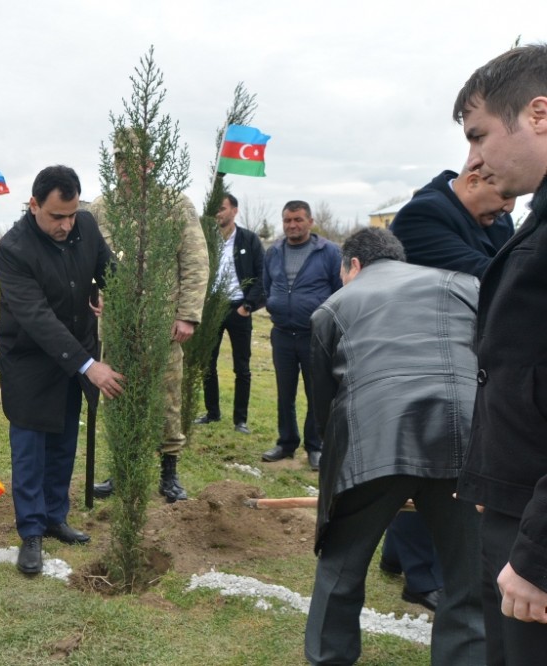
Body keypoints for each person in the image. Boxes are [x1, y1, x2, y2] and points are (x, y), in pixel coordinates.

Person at [305, 227, 484, 666]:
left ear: (354, 266)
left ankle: (328, 658)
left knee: (340, 569)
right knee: (469, 580)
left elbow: (324, 405)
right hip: (467, 436)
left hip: (374, 437)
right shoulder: (464, 284)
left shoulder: (333, 307)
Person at [381, 164, 516, 611]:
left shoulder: (498, 216)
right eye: (501, 201)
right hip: (419, 363)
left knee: (442, 466)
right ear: (474, 179)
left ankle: (397, 555)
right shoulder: (421, 217)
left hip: (464, 360)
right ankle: (420, 578)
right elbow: (492, 276)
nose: (506, 212)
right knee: (422, 466)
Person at [453, 43, 547, 664]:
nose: (474, 160)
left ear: (538, 113)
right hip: (513, 508)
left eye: (480, 135)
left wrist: (538, 552)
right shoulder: (536, 222)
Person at [0, 166, 123, 575]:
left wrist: (113, 295)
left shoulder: (85, 224)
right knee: (31, 447)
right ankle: (31, 532)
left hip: (75, 353)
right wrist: (90, 367)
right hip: (30, 360)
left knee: (66, 437)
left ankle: (54, 516)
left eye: (71, 214)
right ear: (34, 205)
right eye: (56, 216)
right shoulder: (13, 249)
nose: (66, 225)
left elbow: (107, 271)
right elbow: (36, 317)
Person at [90, 130, 209, 503]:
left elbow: (194, 260)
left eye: (136, 160)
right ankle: (121, 468)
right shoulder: (100, 208)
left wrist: (187, 314)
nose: (127, 168)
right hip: (117, 323)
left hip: (163, 325)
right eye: (121, 160)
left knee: (167, 396)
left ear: (151, 163)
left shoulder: (175, 205)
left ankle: (168, 473)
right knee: (117, 393)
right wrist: (91, 292)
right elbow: (84, 262)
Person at [260, 200, 341, 470]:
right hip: (282, 333)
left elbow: (339, 289)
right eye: (287, 221)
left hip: (315, 335)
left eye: (298, 219)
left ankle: (314, 446)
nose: (292, 225)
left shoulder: (329, 252)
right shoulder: (274, 252)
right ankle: (286, 442)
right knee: (285, 392)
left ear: (310, 221)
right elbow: (266, 285)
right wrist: (274, 304)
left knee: (316, 392)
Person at [193, 193, 265, 434]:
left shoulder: (249, 240)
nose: (218, 213)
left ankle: (240, 420)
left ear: (234, 210)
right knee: (207, 363)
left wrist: (248, 306)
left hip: (239, 308)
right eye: (216, 209)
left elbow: (262, 276)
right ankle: (212, 413)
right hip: (212, 308)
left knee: (241, 367)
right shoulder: (206, 240)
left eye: (222, 208)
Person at [390, 166, 515, 277]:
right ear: (473, 182)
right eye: (506, 195)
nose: (510, 208)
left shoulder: (499, 217)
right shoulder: (419, 215)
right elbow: (481, 272)